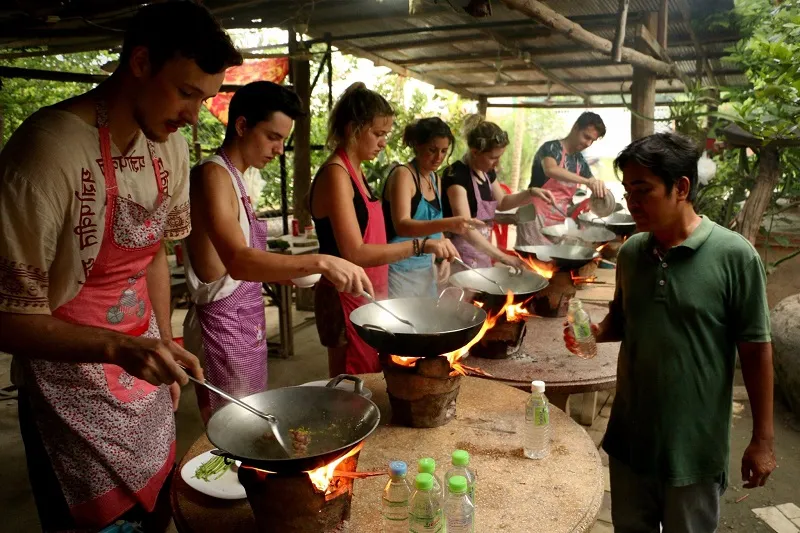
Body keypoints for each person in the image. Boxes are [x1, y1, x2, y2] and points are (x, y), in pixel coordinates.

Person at [0, 3, 241, 530]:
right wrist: (118, 347)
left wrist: (166, 338)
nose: (192, 115)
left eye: (203, 98)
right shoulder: (48, 152)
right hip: (69, 394)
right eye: (185, 92)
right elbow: (7, 318)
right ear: (139, 62)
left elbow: (152, 251)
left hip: (141, 369)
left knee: (157, 512)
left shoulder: (170, 148)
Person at [564, 132, 776, 533]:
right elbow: (623, 322)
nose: (632, 202)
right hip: (629, 442)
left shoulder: (734, 256)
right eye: (627, 191)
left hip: (694, 449)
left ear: (681, 188)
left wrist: (763, 440)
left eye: (643, 190)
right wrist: (594, 333)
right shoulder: (630, 253)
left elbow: (756, 351)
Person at [182, 81, 372, 423]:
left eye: (283, 139)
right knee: (231, 429)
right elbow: (238, 262)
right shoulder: (212, 175)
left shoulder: (238, 177)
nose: (279, 149)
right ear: (242, 126)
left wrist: (297, 273)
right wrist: (320, 260)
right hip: (221, 329)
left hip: (246, 323)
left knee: (252, 421)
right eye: (272, 136)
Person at [310, 83, 458, 377]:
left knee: (371, 377)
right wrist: (421, 245)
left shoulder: (357, 171)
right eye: (377, 134)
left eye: (385, 135)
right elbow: (356, 252)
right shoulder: (336, 174)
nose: (382, 143)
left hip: (366, 293)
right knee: (350, 382)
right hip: (343, 296)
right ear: (353, 128)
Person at [382, 117, 482, 298]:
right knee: (404, 323)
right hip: (398, 269)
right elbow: (402, 226)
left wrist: (443, 254)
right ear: (417, 146)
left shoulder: (435, 179)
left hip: (425, 268)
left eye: (444, 151)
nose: (439, 157)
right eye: (432, 150)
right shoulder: (403, 175)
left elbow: (432, 225)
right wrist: (449, 224)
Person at [441, 117, 555, 268]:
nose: (497, 163)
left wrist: (531, 192)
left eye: (499, 157)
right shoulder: (457, 176)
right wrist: (502, 257)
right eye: (493, 158)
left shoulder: (486, 172)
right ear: (475, 152)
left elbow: (502, 202)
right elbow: (465, 228)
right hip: (459, 254)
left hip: (482, 250)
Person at [516, 112, 608, 246]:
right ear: (575, 127)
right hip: (534, 215)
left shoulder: (580, 161)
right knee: (534, 261)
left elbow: (592, 183)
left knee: (553, 263)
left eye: (592, 141)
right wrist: (586, 181)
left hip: (557, 217)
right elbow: (551, 169)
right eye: (586, 137)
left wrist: (597, 187)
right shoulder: (550, 148)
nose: (588, 143)